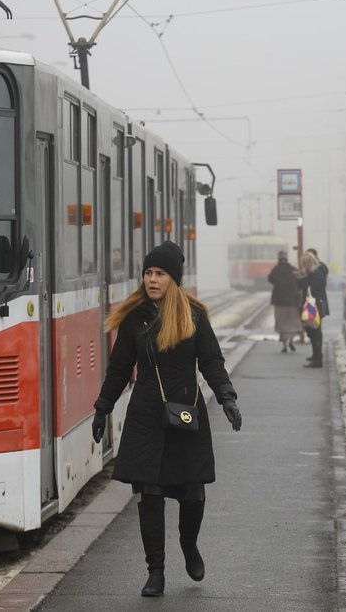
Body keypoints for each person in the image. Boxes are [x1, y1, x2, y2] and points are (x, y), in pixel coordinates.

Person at [91, 240, 243, 598]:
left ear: (173, 278)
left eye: (159, 273)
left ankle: (188, 546)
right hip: (146, 415)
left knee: (192, 495)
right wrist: (102, 407)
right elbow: (118, 369)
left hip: (186, 414)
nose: (152, 279)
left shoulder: (193, 316)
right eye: (148, 272)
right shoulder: (134, 319)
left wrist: (227, 398)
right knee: (150, 493)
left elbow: (211, 361)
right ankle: (155, 571)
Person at [298, 250, 329, 368]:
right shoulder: (314, 273)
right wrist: (302, 277)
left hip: (315, 306)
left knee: (315, 332)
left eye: (304, 264)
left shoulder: (317, 274)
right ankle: (316, 356)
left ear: (309, 263)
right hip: (313, 305)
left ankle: (317, 359)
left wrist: (302, 278)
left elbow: (311, 288)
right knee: (312, 331)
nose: (303, 266)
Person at [268, 250, 300, 352]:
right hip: (292, 301)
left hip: (279, 301)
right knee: (292, 322)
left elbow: (270, 279)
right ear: (287, 258)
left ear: (278, 258)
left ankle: (284, 345)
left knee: (281, 322)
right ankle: (292, 340)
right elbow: (299, 280)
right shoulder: (292, 269)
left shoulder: (276, 269)